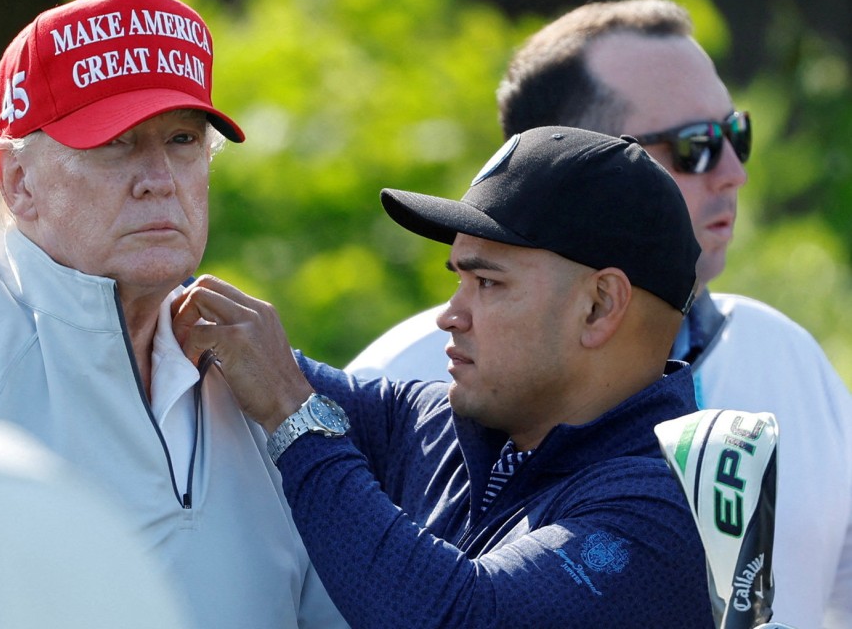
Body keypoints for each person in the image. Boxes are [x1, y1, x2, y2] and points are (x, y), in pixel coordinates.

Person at [0, 0, 346, 628]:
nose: (159, 178)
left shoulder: (260, 378)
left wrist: (301, 417)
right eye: (116, 143)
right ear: (18, 182)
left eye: (184, 140)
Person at [345, 0, 852, 629]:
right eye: (694, 146)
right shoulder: (417, 368)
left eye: (735, 135)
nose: (733, 173)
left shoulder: (787, 352)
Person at [171, 126, 715, 627]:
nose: (450, 315)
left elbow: (462, 617)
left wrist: (293, 415)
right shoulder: (446, 422)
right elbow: (263, 366)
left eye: (488, 283)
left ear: (598, 306)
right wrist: (147, 262)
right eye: (458, 279)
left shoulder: (659, 513)